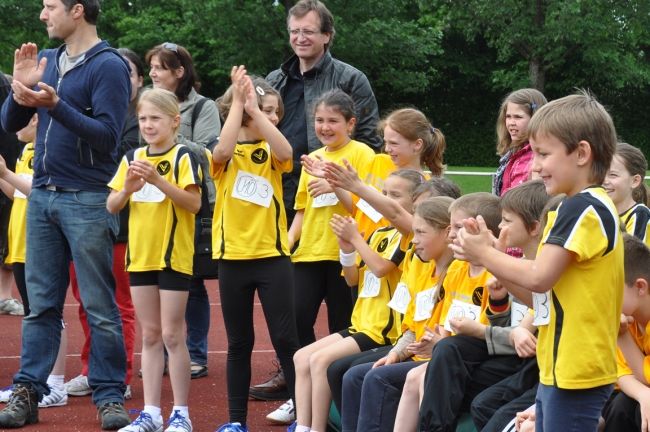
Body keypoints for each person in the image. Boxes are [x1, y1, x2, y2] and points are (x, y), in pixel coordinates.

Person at [452, 92, 624, 432]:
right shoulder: (575, 207)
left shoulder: (581, 208)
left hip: (576, 366)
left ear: (582, 153)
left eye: (544, 154)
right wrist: (495, 258)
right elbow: (545, 298)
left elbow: (539, 278)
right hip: (563, 365)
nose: (534, 166)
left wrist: (484, 254)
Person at [0, 0, 132, 428]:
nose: (43, 15)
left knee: (98, 306)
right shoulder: (50, 60)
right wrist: (21, 93)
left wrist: (56, 105)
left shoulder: (108, 65)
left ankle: (109, 394)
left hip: (88, 197)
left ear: (78, 10)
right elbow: (8, 123)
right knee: (40, 307)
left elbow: (109, 138)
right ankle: (28, 392)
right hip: (42, 195)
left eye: (50, 5)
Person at [254, 0, 382, 403]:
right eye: (294, 31)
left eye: (308, 31)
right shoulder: (277, 78)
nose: (300, 38)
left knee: (343, 310)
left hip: (340, 206)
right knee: (291, 310)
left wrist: (346, 182)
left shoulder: (350, 78)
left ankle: (335, 382)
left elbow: (372, 143)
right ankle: (294, 375)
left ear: (326, 35)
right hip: (284, 199)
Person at [412, 181, 550, 432]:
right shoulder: (468, 268)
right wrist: (498, 302)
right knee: (448, 353)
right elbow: (516, 327)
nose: (500, 226)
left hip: (536, 366)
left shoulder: (539, 268)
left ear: (533, 227)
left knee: (466, 384)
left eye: (507, 221)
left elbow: (520, 335)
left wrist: (479, 330)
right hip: (517, 357)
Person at [288, 170, 418, 432]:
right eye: (384, 193)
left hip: (383, 330)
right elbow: (352, 279)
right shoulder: (379, 233)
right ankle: (302, 426)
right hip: (363, 323)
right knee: (302, 357)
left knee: (320, 361)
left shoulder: (406, 237)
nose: (386, 199)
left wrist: (356, 239)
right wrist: (347, 250)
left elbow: (381, 268)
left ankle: (317, 428)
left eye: (395, 195)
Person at [107, 88, 201, 432]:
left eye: (155, 118)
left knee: (173, 335)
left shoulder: (183, 157)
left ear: (174, 121)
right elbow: (112, 205)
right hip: (140, 257)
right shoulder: (133, 156)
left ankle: (181, 413)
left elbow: (193, 204)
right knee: (149, 335)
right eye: (143, 118)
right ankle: (151, 412)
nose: (148, 124)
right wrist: (129, 187)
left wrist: (158, 180)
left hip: (172, 257)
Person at [211, 66, 300, 432]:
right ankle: (236, 422)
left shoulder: (272, 149)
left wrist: (260, 112)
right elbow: (222, 150)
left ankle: (304, 417)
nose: (274, 115)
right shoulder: (224, 153)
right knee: (239, 342)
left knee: (285, 339)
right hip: (232, 259)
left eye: (277, 111)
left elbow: (286, 149)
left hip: (272, 258)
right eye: (267, 108)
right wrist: (240, 103)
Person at [66, 47, 143, 401]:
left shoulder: (141, 120)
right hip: (80, 216)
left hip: (121, 224)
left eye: (127, 72)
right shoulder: (89, 109)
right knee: (86, 302)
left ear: (139, 81)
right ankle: (89, 369)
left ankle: (120, 374)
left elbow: (114, 157)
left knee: (117, 304)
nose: (118, 78)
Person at [146, 42, 222, 379]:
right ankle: (162, 350)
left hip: (192, 201)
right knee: (157, 277)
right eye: (150, 67)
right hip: (152, 204)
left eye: (160, 67)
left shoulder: (203, 106)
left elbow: (209, 152)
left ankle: (195, 354)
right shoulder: (145, 102)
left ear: (180, 72)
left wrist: (168, 139)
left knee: (190, 280)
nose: (153, 74)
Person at [0, 115, 69, 409]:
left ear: (37, 120)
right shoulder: (26, 150)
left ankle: (56, 383)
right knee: (32, 314)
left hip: (41, 245)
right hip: (21, 243)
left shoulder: (47, 149)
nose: (15, 127)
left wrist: (5, 173)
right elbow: (18, 193)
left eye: (22, 120)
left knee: (48, 313)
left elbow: (38, 193)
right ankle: (31, 382)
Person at [601, 234, 650, 431]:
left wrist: (620, 335)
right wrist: (642, 393)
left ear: (640, 287)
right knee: (622, 404)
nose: (602, 298)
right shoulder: (626, 314)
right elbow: (618, 371)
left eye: (609, 288)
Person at [0, 72, 24, 316]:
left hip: (8, 166)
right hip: (8, 168)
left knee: (8, 234)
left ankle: (4, 297)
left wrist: (6, 172)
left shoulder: (2, 83)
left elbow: (10, 130)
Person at [492, 89, 547, 197]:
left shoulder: (533, 155)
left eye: (518, 117)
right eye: (508, 116)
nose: (511, 123)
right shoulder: (514, 153)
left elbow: (516, 198)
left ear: (535, 119)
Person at [603, 142, 650, 246]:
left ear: (635, 181)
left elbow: (630, 258)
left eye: (613, 175)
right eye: (601, 173)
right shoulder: (599, 212)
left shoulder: (639, 215)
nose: (604, 180)